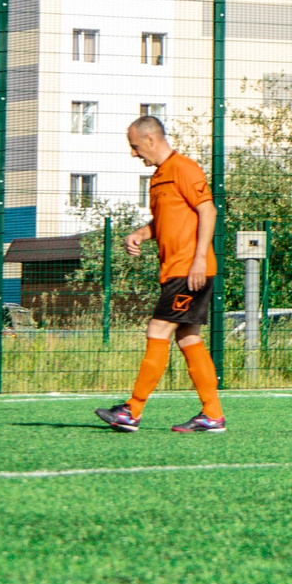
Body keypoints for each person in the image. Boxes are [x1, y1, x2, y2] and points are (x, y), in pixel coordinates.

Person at [94, 115, 226, 434]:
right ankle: (212, 414)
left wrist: (197, 260)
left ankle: (133, 410)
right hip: (176, 270)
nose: (134, 153)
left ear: (151, 140)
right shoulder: (159, 177)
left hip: (189, 270)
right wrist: (140, 233)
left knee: (158, 328)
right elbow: (167, 221)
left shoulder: (184, 168)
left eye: (135, 146)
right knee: (188, 336)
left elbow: (208, 211)